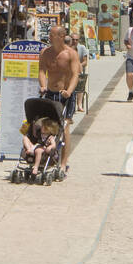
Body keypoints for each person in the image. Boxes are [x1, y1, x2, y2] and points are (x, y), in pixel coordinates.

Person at [38, 25, 81, 171]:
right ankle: (48, 157)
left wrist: (69, 91)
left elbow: (76, 74)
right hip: (50, 93)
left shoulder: (71, 54)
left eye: (53, 35)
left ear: (62, 36)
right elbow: (42, 71)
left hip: (65, 95)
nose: (49, 37)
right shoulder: (45, 52)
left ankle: (63, 163)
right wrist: (43, 85)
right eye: (49, 35)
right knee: (48, 126)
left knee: (65, 128)